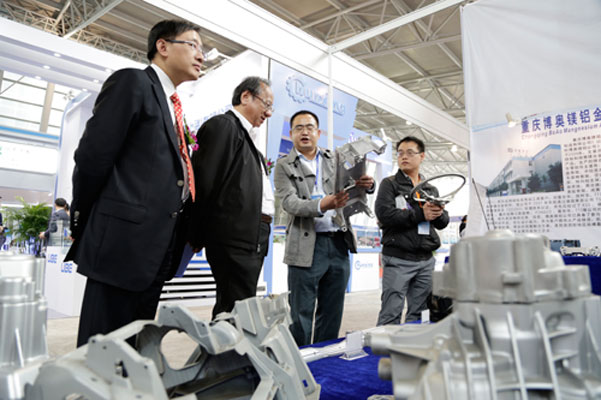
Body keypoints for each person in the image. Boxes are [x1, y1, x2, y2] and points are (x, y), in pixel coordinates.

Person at [65, 19, 204, 347]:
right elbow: (93, 156)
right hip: (121, 243)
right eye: (193, 45)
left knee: (133, 350)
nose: (202, 56)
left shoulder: (173, 106)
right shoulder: (133, 82)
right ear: (163, 46)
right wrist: (83, 217)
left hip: (154, 249)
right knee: (103, 352)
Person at [274, 110, 375, 346]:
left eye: (309, 127)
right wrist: (322, 204)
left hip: (338, 242)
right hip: (305, 245)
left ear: (318, 133)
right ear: (291, 134)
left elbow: (351, 186)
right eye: (299, 128)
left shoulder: (336, 158)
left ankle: (324, 359)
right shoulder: (283, 166)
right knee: (301, 313)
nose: (305, 132)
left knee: (332, 312)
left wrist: (366, 185)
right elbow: (289, 203)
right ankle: (301, 361)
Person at [188, 76, 274, 319]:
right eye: (266, 104)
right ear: (245, 96)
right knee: (235, 309)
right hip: (234, 237)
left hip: (252, 236)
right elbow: (205, 182)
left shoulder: (248, 140)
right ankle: (224, 345)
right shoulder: (224, 127)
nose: (268, 113)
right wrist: (196, 232)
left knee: (239, 306)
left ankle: (227, 343)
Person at [375, 136, 449, 325]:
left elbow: (442, 223)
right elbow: (385, 214)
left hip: (425, 260)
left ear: (422, 156)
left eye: (409, 153)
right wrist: (420, 214)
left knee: (421, 315)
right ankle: (385, 345)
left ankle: (413, 344)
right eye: (400, 153)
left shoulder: (430, 189)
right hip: (398, 258)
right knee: (391, 313)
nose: (404, 157)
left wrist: (438, 213)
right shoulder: (390, 184)